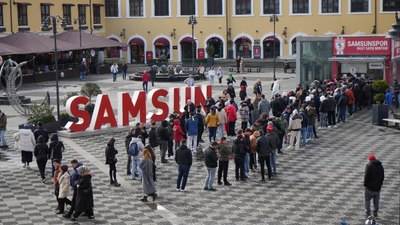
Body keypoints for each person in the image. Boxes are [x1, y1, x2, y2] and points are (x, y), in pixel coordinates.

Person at [364, 154, 384, 218]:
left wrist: (365, 184)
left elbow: (366, 176)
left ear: (370, 160)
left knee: (367, 200)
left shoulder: (369, 166)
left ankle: (368, 213)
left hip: (369, 188)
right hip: (377, 188)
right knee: (376, 201)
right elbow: (383, 177)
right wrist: (380, 184)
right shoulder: (380, 166)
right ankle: (375, 213)